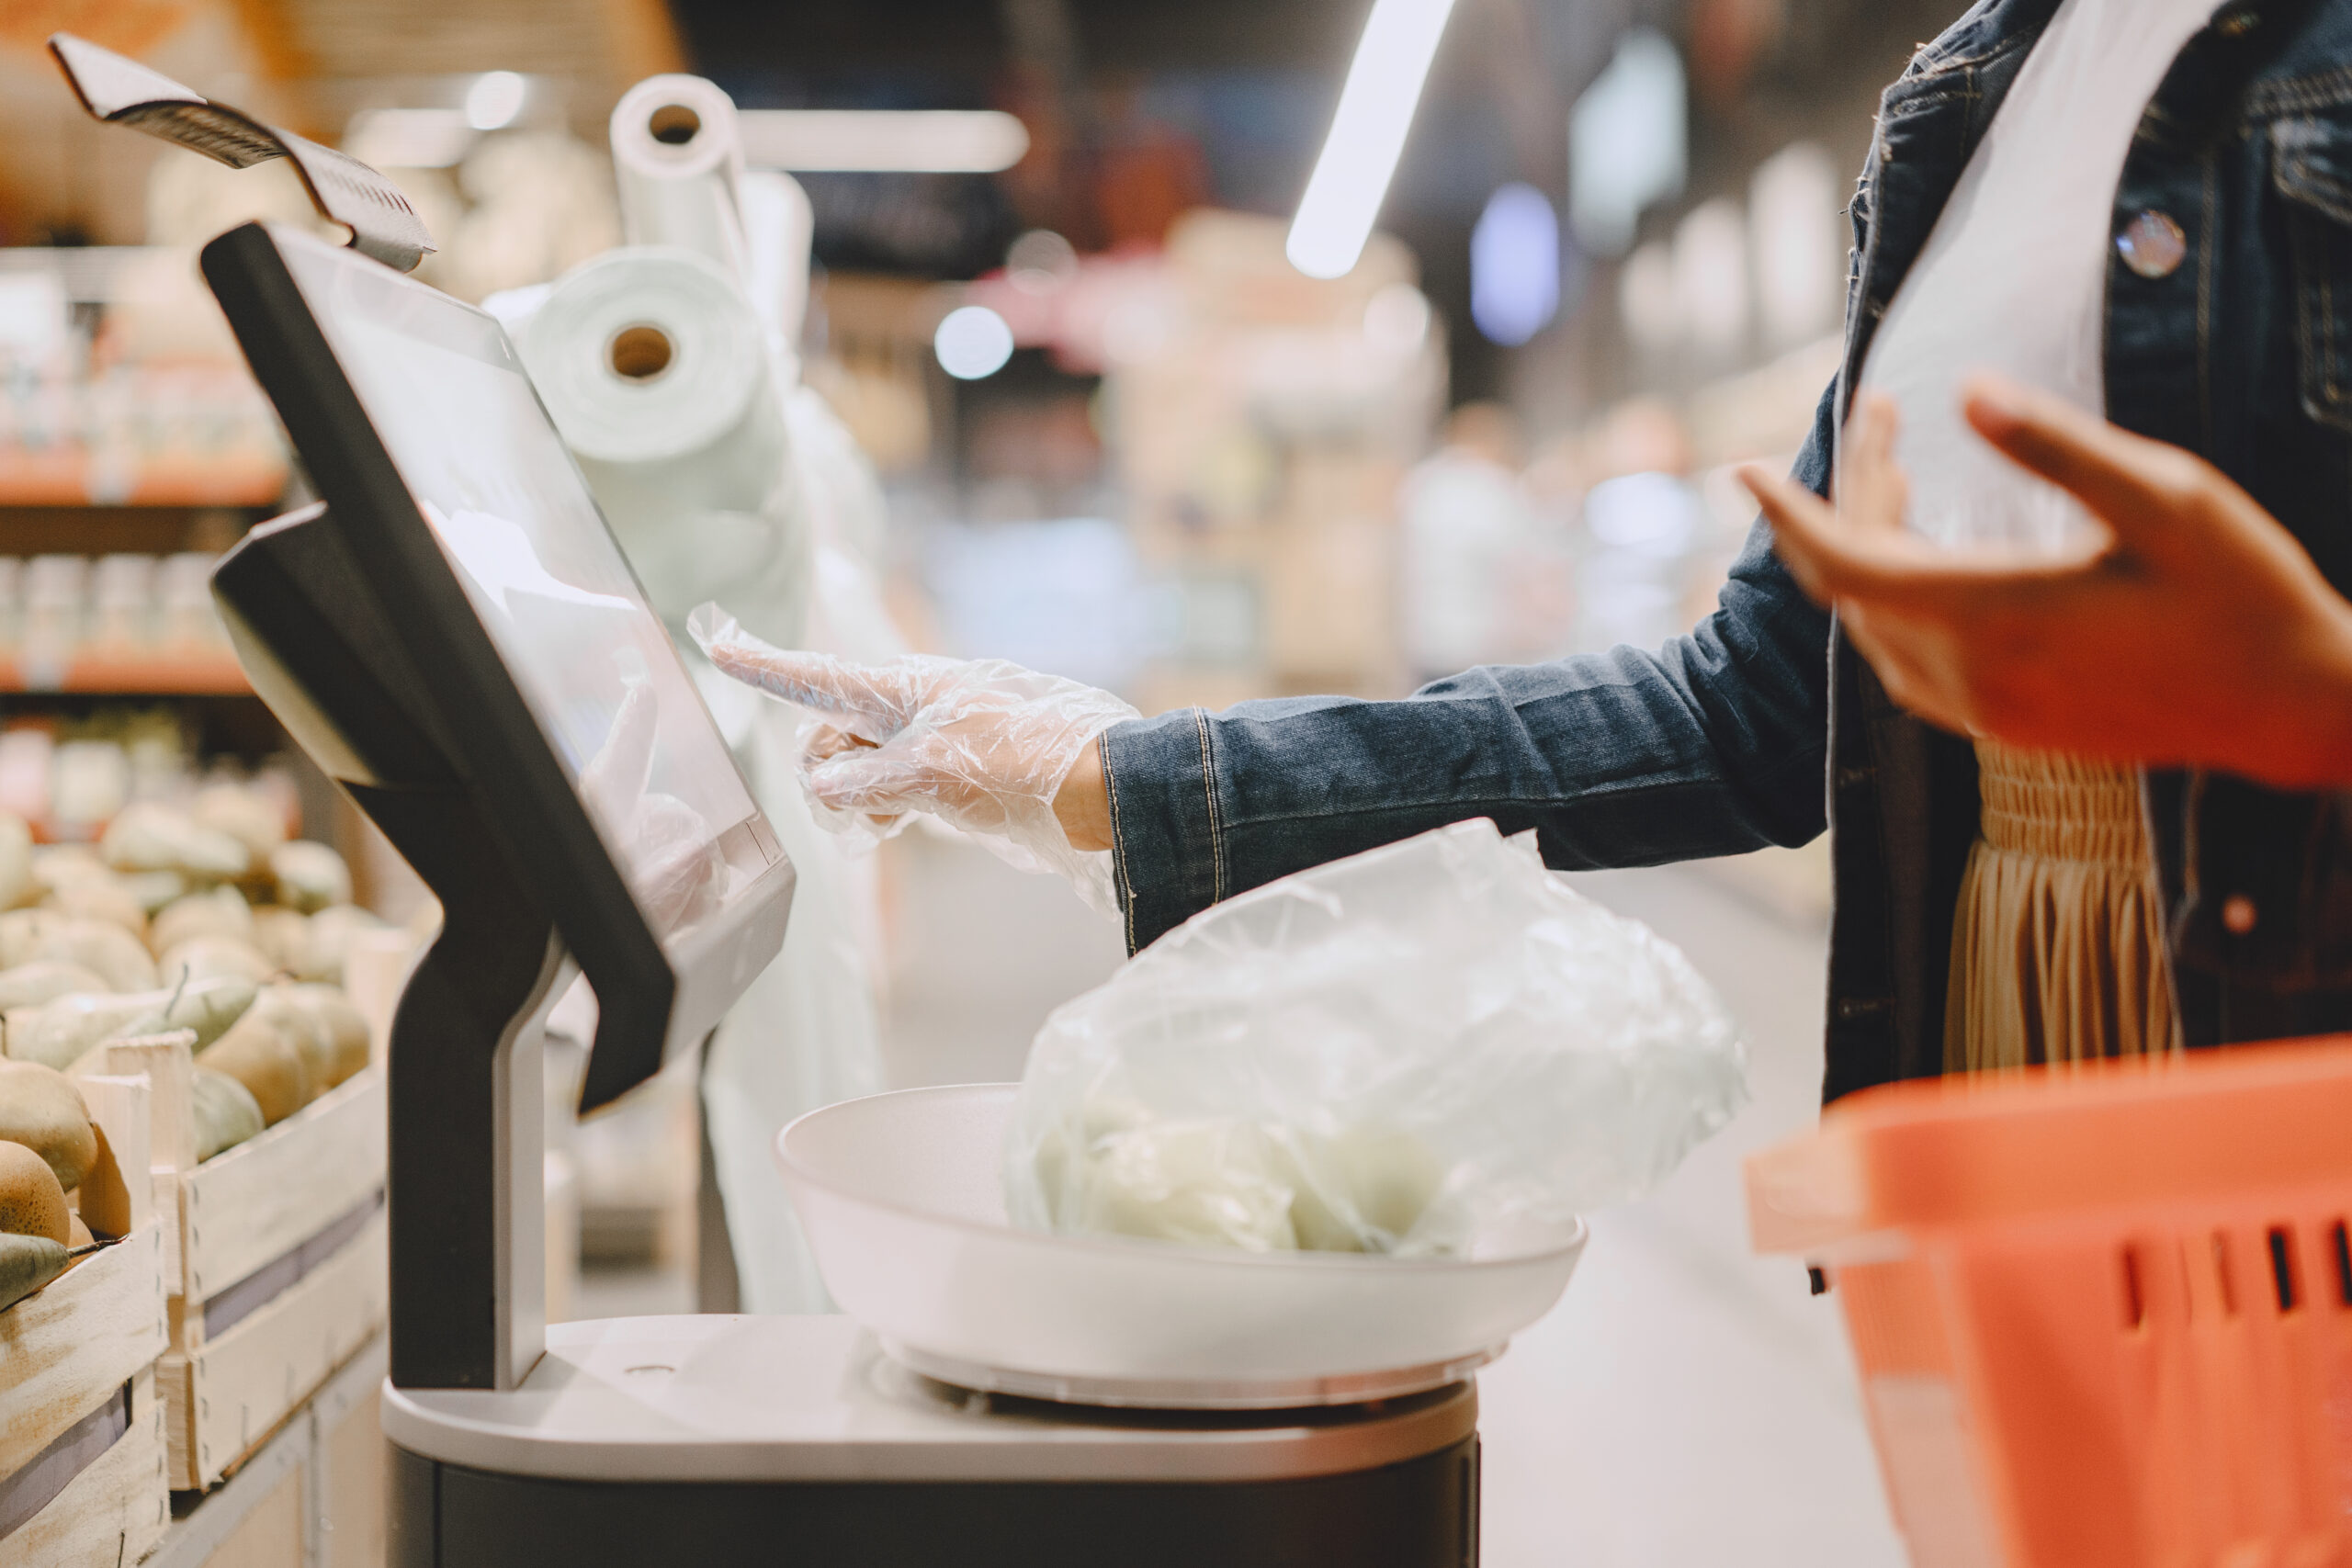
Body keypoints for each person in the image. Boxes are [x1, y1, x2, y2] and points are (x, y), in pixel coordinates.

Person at [705, 0, 2352, 1105]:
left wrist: (2309, 702)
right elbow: (1750, 719)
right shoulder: (1983, 97)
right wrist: (1116, 771)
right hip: (2021, 1033)